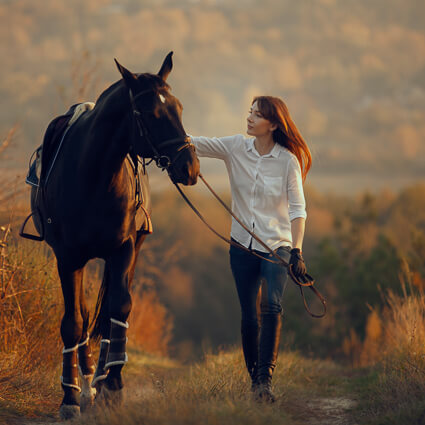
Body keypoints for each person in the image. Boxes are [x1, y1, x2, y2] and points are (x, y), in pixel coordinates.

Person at [190, 95, 312, 402]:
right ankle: (254, 381)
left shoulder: (288, 160)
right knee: (248, 316)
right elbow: (194, 143)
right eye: (250, 112)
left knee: (271, 306)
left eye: (256, 115)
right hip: (241, 246)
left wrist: (296, 251)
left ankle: (264, 381)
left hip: (277, 246)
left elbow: (298, 209)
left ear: (272, 124)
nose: (249, 118)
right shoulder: (234, 147)